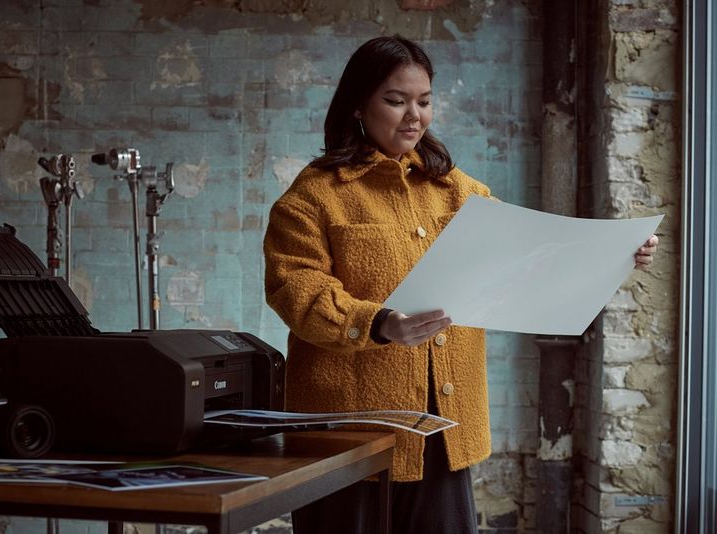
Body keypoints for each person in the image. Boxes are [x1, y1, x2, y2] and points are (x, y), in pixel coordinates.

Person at [263, 35, 659, 534]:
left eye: (424, 101)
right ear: (359, 105)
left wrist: (618, 258)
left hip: (443, 432)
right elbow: (295, 289)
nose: (414, 116)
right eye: (396, 100)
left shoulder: (462, 192)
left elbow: (532, 265)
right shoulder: (314, 196)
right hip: (350, 433)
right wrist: (381, 323)